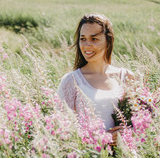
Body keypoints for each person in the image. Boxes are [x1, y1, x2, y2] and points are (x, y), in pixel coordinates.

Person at [57, 13, 133, 145]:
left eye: (94, 39)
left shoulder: (126, 77)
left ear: (108, 40)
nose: (86, 45)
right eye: (83, 39)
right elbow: (61, 128)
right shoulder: (71, 81)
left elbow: (145, 122)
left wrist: (129, 132)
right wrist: (104, 138)